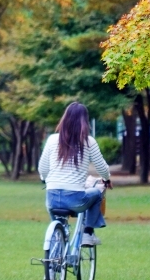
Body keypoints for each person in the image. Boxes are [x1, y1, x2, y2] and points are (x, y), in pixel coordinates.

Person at [38, 101, 111, 247]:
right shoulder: (88, 142)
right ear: (85, 121)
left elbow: (42, 168)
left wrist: (44, 179)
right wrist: (106, 178)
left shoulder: (52, 139)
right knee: (97, 194)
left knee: (58, 224)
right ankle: (87, 234)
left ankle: (56, 256)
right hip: (75, 199)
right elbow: (102, 167)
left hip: (52, 198)